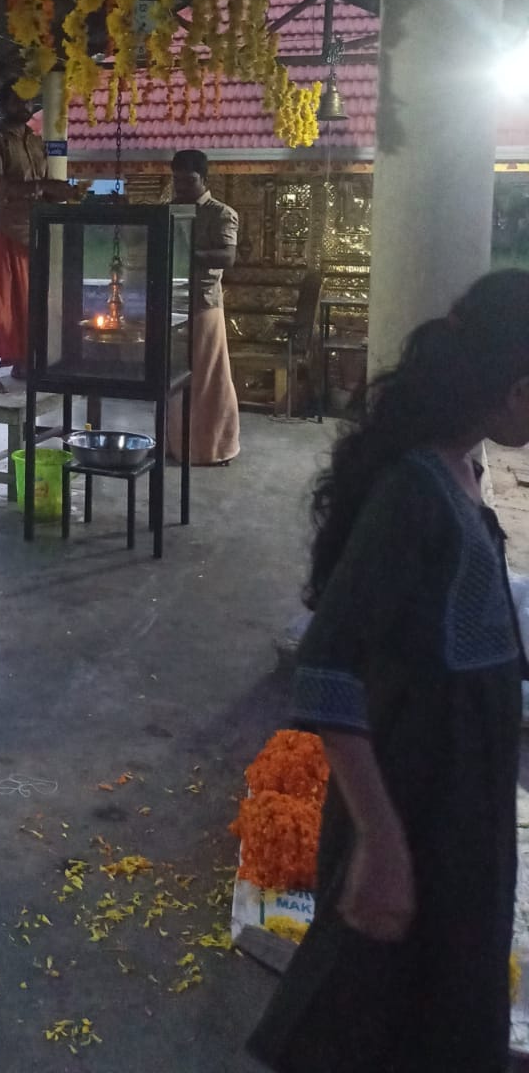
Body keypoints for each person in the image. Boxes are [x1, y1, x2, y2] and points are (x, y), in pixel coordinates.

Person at [249, 269, 529, 1073]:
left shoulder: (463, 471)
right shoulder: (413, 493)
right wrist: (381, 840)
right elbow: (328, 669)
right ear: (514, 389)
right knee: (367, 1019)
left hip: (462, 805)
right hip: (412, 798)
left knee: (443, 1001)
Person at [0, 80, 71, 393]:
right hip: (3, 229)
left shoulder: (35, 140)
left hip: (32, 230)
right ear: (3, 104)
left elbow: (43, 184)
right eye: (18, 101)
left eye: (29, 101)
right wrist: (42, 188)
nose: (26, 107)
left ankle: (21, 362)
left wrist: (64, 191)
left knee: (28, 300)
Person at [168, 149, 240, 464]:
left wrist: (189, 257)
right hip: (172, 306)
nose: (182, 187)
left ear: (205, 179)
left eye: (190, 180)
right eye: (178, 181)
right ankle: (177, 445)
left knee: (208, 378)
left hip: (203, 305)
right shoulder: (169, 210)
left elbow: (228, 257)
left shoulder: (221, 213)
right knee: (174, 378)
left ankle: (214, 448)